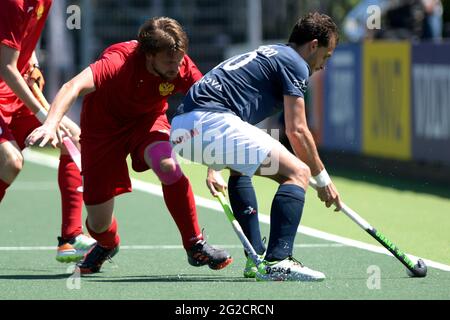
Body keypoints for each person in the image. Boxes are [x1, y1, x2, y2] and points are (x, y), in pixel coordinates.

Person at [26, 17, 233, 274]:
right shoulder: (118, 61)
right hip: (102, 133)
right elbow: (72, 86)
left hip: (147, 123)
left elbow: (210, 111)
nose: (177, 66)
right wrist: (50, 124)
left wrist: (214, 166)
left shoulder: (181, 66)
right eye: (169, 61)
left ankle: (194, 245)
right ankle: (107, 244)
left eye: (179, 59)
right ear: (148, 55)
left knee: (168, 166)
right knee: (99, 224)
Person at [170, 12, 343, 281]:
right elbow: (297, 130)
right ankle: (279, 259)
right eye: (326, 56)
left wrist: (214, 164)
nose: (323, 65)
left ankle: (256, 257)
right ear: (313, 45)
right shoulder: (296, 64)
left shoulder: (271, 53)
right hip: (211, 122)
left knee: (241, 170)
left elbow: (229, 107)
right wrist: (322, 180)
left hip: (182, 129)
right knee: (298, 173)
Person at [0, 0, 96, 262]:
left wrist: (32, 64)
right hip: (4, 87)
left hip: (15, 94)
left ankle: (70, 238)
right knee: (11, 162)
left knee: (72, 138)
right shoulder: (12, 3)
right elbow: (6, 66)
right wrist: (46, 117)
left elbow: (22, 39)